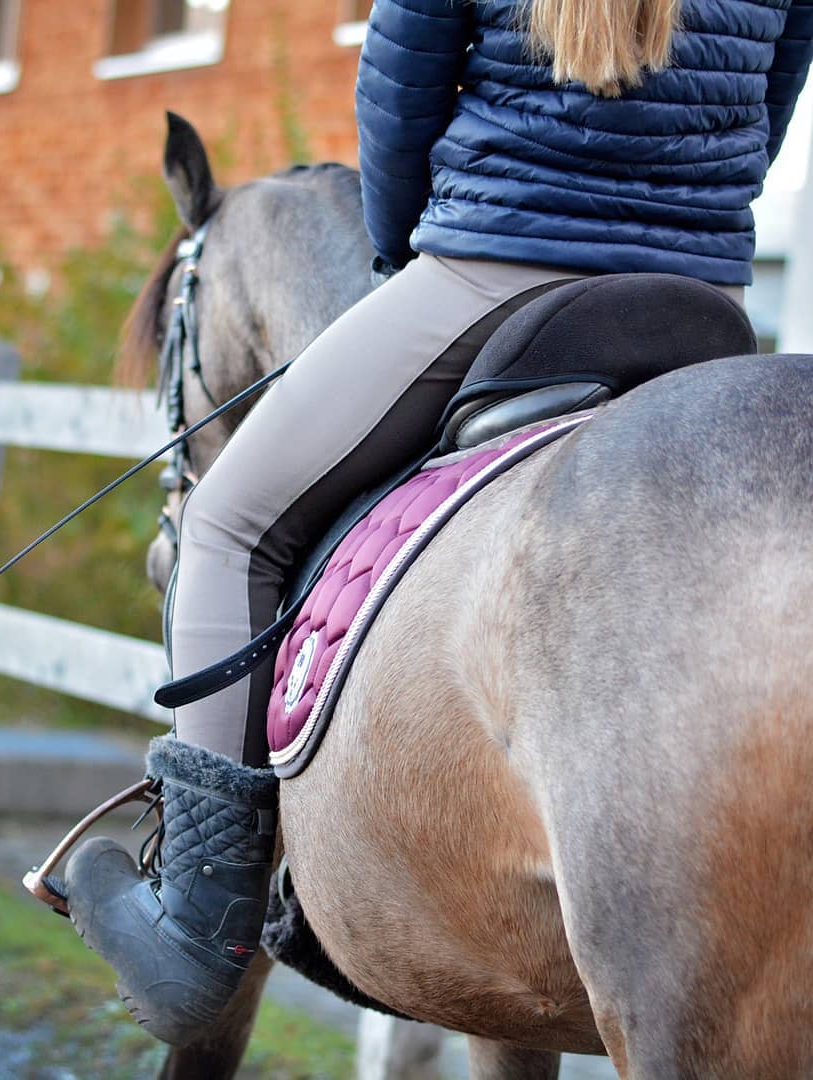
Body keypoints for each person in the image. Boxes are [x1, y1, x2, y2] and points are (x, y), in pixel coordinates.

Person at [64, 0, 813, 1047]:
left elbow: (401, 84)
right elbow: (776, 92)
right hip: (700, 297)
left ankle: (198, 926)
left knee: (230, 524)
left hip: (492, 269)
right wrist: (687, 213)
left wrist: (409, 242)